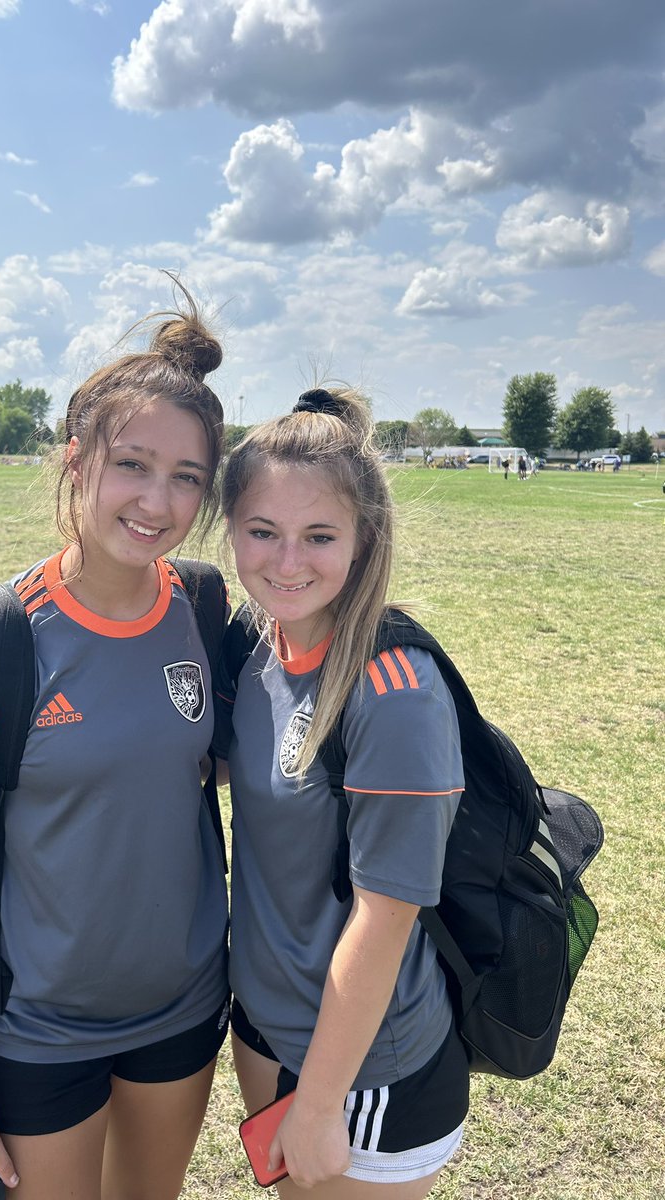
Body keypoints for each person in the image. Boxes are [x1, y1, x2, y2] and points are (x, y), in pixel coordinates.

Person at [0, 284, 230, 1200]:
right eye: (133, 464)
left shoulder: (207, 611)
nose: (157, 501)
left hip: (184, 1008)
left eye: (187, 478)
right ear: (76, 460)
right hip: (35, 1032)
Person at [215, 387, 468, 1198]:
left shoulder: (393, 691)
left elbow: (385, 914)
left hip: (365, 1068)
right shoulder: (256, 644)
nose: (287, 562)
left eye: (319, 535)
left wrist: (323, 1103)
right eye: (263, 532)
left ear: (364, 539)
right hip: (262, 1024)